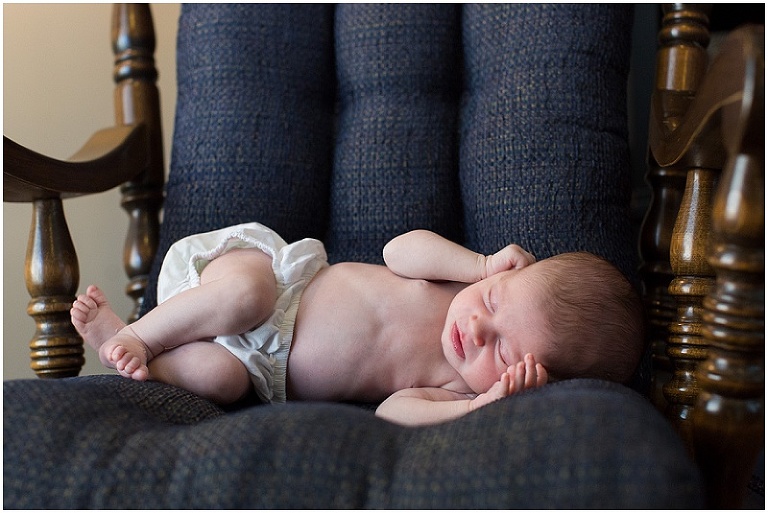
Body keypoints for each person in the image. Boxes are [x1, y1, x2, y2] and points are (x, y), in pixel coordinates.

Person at [71, 222, 644, 426]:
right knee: (246, 294)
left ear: (529, 376)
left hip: (260, 368)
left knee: (223, 382)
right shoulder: (458, 282)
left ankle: (133, 349)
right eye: (493, 303)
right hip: (275, 287)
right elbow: (398, 250)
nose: (475, 329)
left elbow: (392, 412)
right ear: (504, 274)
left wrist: (473, 409)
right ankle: (143, 333)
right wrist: (478, 264)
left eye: (500, 349)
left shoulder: (459, 384)